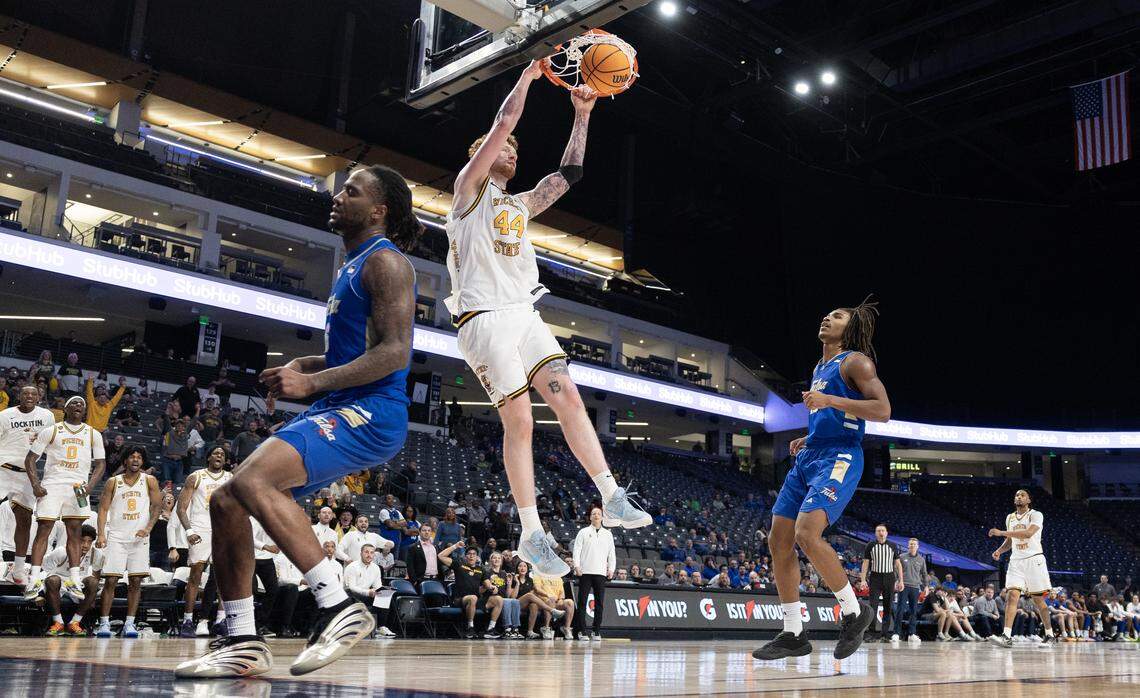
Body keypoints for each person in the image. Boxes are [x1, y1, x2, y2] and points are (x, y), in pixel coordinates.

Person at [176, 165, 421, 679]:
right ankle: (242, 638)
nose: (338, 195)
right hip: (341, 404)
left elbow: (395, 353)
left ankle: (337, 606)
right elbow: (355, 350)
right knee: (226, 498)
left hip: (373, 411)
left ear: (378, 210)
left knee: (251, 480)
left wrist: (312, 384)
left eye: (351, 191)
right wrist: (305, 366)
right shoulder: (350, 264)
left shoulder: (386, 263)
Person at [443, 63, 649, 578]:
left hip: (523, 312)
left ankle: (611, 493)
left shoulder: (518, 203)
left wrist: (582, 114)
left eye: (515, 151)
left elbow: (568, 176)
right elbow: (504, 123)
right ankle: (532, 533)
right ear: (481, 156)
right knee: (521, 422)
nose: (513, 151)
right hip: (483, 319)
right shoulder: (468, 193)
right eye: (504, 149)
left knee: (568, 395)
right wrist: (530, 78)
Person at [753, 300, 891, 661]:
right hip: (811, 456)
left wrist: (828, 399)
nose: (827, 317)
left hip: (841, 456)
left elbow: (883, 411)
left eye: (838, 316)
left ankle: (853, 610)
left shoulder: (856, 362)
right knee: (778, 539)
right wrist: (807, 437)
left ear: (851, 328)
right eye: (827, 313)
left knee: (806, 533)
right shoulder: (819, 366)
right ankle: (793, 633)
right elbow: (827, 417)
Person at [22, 396, 106, 601]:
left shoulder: (93, 434)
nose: (78, 406)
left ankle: (75, 580)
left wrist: (90, 486)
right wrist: (35, 485)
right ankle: (33, 580)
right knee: (44, 529)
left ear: (85, 412)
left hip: (78, 487)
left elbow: (101, 464)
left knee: (75, 532)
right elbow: (30, 459)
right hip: (53, 483)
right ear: (65, 409)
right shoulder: (52, 430)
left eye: (82, 405)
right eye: (74, 403)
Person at [93, 446, 161, 638]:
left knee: (136, 581)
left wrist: (148, 528)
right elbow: (103, 509)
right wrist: (101, 534)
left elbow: (157, 506)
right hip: (116, 536)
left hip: (139, 539)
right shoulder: (113, 482)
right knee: (111, 581)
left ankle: (129, 623)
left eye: (139, 457)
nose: (136, 460)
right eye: (132, 456)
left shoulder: (150, 481)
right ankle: (104, 623)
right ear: (125, 461)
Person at [0, 385, 56, 585]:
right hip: (3, 469)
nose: (30, 396)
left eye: (34, 394)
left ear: (39, 397)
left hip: (27, 474)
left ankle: (17, 569)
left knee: (24, 521)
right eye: (26, 393)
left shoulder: (47, 416)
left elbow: (51, 445)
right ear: (19, 396)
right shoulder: (5, 415)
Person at [987, 489, 1057, 647]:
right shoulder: (1010, 517)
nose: (1018, 497)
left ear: (1029, 500)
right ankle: (1006, 635)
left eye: (1022, 495)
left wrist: (1001, 532)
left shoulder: (1036, 515)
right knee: (1012, 596)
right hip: (1016, 561)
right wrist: (999, 550)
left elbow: (1027, 533)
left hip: (1034, 560)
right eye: (1016, 495)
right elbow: (1011, 540)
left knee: (1038, 600)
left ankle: (1050, 635)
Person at [176, 446, 232, 638]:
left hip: (222, 530)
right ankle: (188, 620)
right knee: (195, 576)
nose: (219, 456)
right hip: (200, 530)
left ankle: (220, 620)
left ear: (225, 460)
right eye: (215, 453)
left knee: (224, 579)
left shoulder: (230, 478)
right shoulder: (196, 476)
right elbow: (181, 508)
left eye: (222, 455)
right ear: (208, 457)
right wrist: (189, 530)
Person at [40, 524, 103, 635]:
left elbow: (96, 573)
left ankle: (75, 622)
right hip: (59, 582)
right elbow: (43, 570)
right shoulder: (61, 551)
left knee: (93, 582)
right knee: (53, 580)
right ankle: (58, 622)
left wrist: (92, 595)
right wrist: (39, 593)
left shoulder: (95, 553)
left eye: (89, 541)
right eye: (83, 541)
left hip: (79, 583)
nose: (86, 545)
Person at [438, 540, 500, 639]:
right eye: (469, 554)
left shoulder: (481, 569)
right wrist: (455, 546)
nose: (471, 556)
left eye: (474, 554)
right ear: (465, 556)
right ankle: (470, 628)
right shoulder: (459, 565)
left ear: (477, 557)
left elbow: (487, 584)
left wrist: (493, 587)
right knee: (473, 598)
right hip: (460, 599)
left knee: (498, 599)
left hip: (476, 599)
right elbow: (441, 556)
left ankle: (490, 629)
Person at [573, 505, 615, 642]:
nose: (596, 515)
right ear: (590, 517)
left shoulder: (608, 534)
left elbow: (611, 553)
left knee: (599, 603)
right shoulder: (583, 532)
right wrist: (577, 566)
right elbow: (577, 550)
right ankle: (582, 631)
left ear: (602, 517)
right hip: (585, 572)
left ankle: (596, 631)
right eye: (593, 513)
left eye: (598, 513)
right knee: (582, 602)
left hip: (600, 573)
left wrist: (611, 569)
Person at [858, 524, 904, 642]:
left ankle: (884, 634)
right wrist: (863, 579)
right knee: (872, 606)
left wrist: (901, 580)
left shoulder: (893, 546)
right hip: (875, 578)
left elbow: (898, 564)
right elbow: (865, 563)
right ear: (875, 533)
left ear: (887, 533)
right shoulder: (870, 545)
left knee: (888, 606)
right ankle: (872, 633)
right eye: (878, 531)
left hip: (889, 577)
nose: (881, 533)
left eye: (883, 531)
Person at [342, 543, 395, 638]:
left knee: (385, 597)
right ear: (361, 553)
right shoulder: (352, 567)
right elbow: (351, 587)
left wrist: (380, 591)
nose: (369, 555)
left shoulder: (376, 568)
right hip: (349, 595)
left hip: (366, 594)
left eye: (372, 552)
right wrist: (369, 592)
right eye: (366, 552)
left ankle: (381, 627)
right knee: (351, 592)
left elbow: (378, 586)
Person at [893, 538, 927, 643]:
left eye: (914, 544)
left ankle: (912, 634)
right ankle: (896, 634)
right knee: (900, 609)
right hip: (903, 586)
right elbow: (895, 570)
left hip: (915, 587)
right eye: (911, 544)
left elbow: (924, 574)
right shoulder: (902, 557)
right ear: (908, 546)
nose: (912, 546)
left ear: (917, 546)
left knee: (913, 611)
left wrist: (925, 586)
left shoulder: (921, 559)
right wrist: (896, 581)